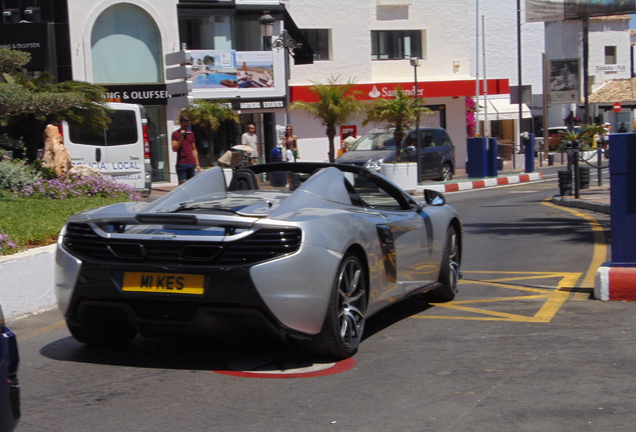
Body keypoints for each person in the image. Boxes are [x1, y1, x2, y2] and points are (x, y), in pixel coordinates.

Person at [171, 114, 201, 184]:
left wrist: (197, 164)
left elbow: (194, 149)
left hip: (191, 163)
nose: (185, 128)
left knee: (191, 185)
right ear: (181, 123)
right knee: (182, 184)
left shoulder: (191, 134)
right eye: (184, 126)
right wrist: (181, 137)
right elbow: (174, 148)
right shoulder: (175, 134)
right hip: (182, 163)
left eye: (187, 126)